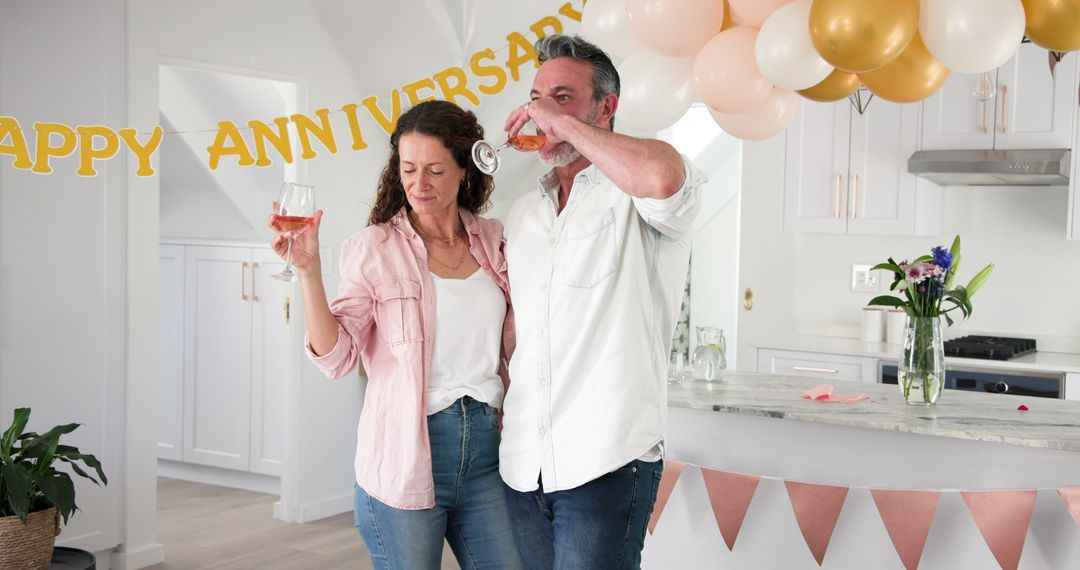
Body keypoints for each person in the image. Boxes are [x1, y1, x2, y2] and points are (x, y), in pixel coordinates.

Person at [270, 100, 522, 570]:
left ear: (465, 171)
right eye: (408, 169)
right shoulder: (375, 248)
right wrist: (309, 273)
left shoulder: (495, 240)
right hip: (407, 452)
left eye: (434, 170)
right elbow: (337, 358)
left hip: (489, 450)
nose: (418, 185)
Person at [498, 34, 705, 569]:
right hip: (524, 462)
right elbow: (521, 323)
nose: (541, 114)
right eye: (537, 99)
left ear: (606, 107)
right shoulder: (525, 213)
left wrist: (563, 126)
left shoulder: (638, 192)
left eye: (562, 97)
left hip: (606, 459)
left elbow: (664, 175)